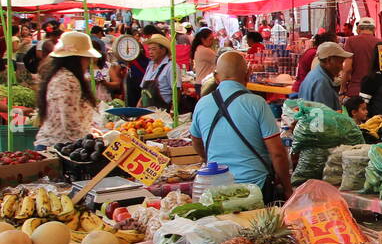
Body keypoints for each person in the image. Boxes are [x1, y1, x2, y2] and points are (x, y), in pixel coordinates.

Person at [190, 51, 292, 198]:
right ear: (248, 74)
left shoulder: (202, 104)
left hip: (217, 189)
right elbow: (277, 153)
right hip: (256, 189)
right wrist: (287, 189)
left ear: (216, 77)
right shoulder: (257, 104)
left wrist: (210, 160)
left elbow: (197, 142)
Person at [34, 32, 101, 147]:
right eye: (87, 59)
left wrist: (89, 131)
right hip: (58, 146)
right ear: (78, 59)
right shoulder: (66, 81)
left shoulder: (62, 76)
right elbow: (70, 124)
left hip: (61, 144)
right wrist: (89, 138)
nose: (88, 63)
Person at [300, 41, 353, 108]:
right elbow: (324, 115)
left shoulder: (314, 75)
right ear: (329, 61)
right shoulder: (322, 83)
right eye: (340, 62)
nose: (341, 67)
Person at [139, 34, 182, 108]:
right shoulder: (150, 65)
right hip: (147, 113)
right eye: (149, 49)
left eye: (153, 49)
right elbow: (144, 91)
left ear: (163, 50)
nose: (150, 52)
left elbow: (177, 92)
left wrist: (172, 112)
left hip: (163, 112)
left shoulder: (171, 67)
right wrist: (138, 109)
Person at [343, 18, 382, 96]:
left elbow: (347, 68)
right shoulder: (380, 42)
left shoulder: (351, 41)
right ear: (374, 29)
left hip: (356, 89)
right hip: (376, 90)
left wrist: (342, 87)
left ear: (358, 29)